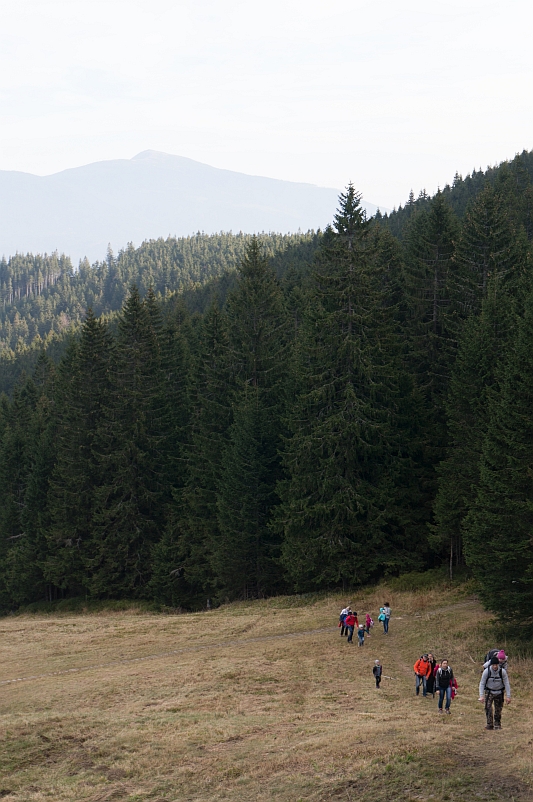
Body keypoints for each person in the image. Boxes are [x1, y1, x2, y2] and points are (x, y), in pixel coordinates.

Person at [479, 656, 511, 730]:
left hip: (499, 692)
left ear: (498, 664)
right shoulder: (487, 671)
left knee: (498, 709)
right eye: (493, 665)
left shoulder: (502, 672)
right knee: (488, 708)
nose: (495, 666)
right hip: (489, 692)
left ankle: (497, 724)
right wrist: (481, 696)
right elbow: (482, 683)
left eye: (496, 665)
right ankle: (489, 724)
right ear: (491, 665)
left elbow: (507, 683)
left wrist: (508, 696)